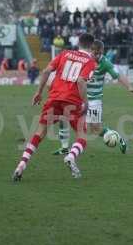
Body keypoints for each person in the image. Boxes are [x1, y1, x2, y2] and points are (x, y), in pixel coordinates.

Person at [12, 33, 96, 181]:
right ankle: (71, 156)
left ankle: (21, 164)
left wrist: (38, 92)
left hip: (54, 97)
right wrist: (86, 102)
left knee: (40, 133)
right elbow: (81, 81)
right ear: (91, 46)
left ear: (79, 44)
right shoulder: (89, 61)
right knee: (82, 135)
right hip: (72, 101)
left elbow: (45, 71)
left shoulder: (65, 53)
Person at [53, 40, 133, 156]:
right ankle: (64, 147)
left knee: (95, 129)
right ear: (90, 50)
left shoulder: (105, 63)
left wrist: (129, 87)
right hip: (79, 97)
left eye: (99, 53)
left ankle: (118, 138)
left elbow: (118, 76)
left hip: (94, 100)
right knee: (64, 116)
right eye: (94, 53)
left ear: (102, 52)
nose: (97, 55)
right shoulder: (85, 60)